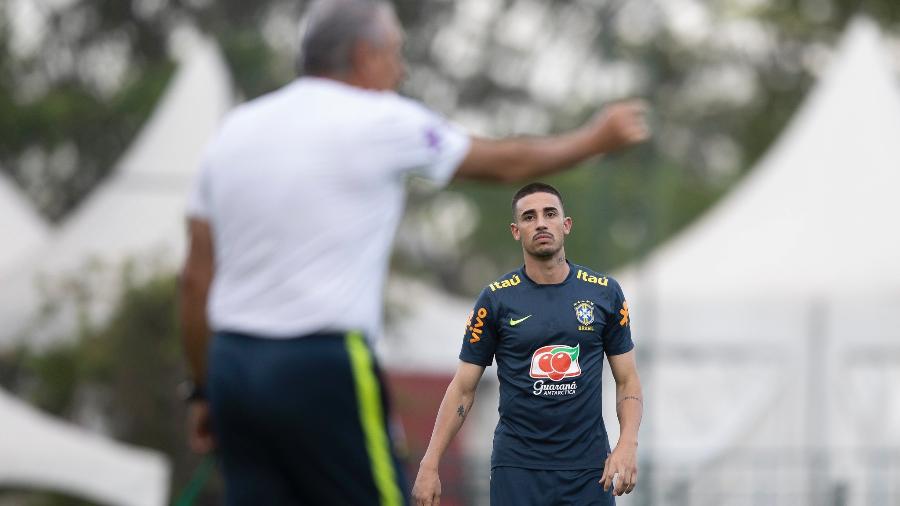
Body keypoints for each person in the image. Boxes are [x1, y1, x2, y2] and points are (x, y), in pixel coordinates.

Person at [179, 0, 649, 503]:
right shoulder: (378, 118)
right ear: (364, 54)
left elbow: (195, 278)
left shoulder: (235, 129)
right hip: (320, 361)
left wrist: (204, 389)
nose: (400, 69)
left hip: (231, 363)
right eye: (395, 53)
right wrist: (594, 139)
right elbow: (502, 160)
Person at [412, 183, 644, 506]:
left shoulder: (604, 293)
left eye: (550, 214)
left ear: (566, 225)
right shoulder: (495, 300)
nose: (540, 223)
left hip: (589, 469)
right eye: (529, 217)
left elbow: (627, 379)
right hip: (517, 469)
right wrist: (430, 462)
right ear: (515, 230)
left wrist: (627, 443)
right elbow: (463, 387)